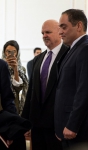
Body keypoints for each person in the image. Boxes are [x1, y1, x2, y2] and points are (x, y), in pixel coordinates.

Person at [22, 20, 68, 150]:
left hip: (58, 126)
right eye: (42, 33)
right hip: (37, 126)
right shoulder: (38, 59)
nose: (44, 36)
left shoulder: (68, 55)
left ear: (59, 33)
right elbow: (31, 93)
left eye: (48, 32)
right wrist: (25, 122)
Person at [55, 9, 88, 149]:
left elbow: (84, 91)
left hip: (77, 132)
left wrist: (72, 125)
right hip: (66, 129)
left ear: (79, 26)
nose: (60, 32)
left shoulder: (85, 49)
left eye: (64, 27)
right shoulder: (72, 50)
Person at [1, 40, 28, 115]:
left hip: (14, 105)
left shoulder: (22, 70)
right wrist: (4, 66)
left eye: (14, 51)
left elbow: (18, 88)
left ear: (17, 53)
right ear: (4, 52)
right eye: (8, 51)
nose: (10, 54)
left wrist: (15, 69)